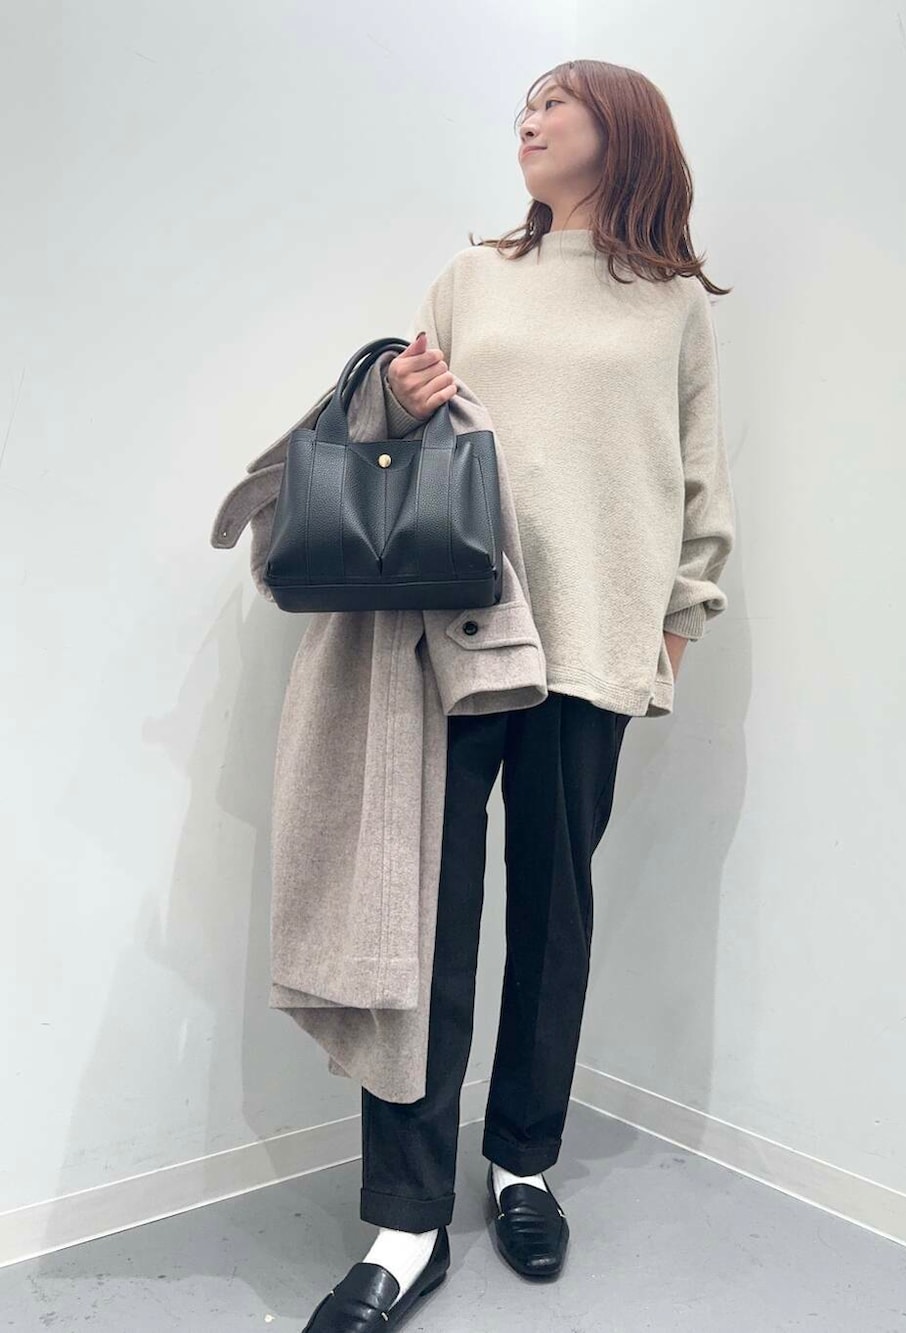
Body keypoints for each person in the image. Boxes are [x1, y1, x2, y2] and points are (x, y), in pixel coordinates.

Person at [302, 57, 735, 1331]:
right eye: (523, 110)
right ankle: (405, 1218)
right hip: (460, 635)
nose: (529, 123)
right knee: (423, 924)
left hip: (594, 641)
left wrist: (677, 626)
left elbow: (695, 479)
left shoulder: (671, 304)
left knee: (555, 911)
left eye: (554, 104)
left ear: (622, 129)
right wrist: (397, 398)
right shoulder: (470, 276)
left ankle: (522, 1163)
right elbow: (401, 440)